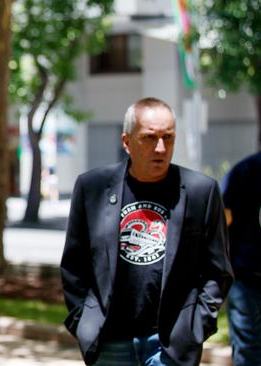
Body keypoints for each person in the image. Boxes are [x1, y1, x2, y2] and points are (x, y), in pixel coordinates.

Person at [60, 97, 233, 365]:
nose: (161, 148)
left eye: (168, 137)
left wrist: (196, 327)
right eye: (150, 138)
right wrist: (82, 321)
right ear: (127, 142)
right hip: (110, 341)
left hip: (171, 343)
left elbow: (218, 271)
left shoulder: (202, 191)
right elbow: (74, 264)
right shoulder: (91, 187)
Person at [221, 151, 261, 366]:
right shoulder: (247, 170)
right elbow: (223, 218)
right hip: (246, 277)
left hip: (245, 273)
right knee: (248, 350)